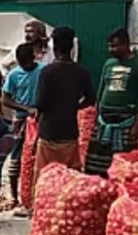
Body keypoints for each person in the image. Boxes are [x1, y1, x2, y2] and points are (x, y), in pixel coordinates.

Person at [85, 28, 138, 177]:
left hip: (125, 121)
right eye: (109, 46)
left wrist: (136, 126)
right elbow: (101, 91)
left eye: (115, 46)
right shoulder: (109, 64)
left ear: (126, 44)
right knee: (96, 163)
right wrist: (96, 117)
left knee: (122, 163)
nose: (111, 50)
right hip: (103, 121)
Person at [33, 26, 96, 181]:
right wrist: (73, 106)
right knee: (69, 179)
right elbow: (90, 99)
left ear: (55, 46)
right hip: (69, 132)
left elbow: (41, 103)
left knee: (45, 178)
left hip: (49, 132)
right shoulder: (81, 72)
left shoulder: (47, 72)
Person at [1, 43, 44, 207]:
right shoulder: (14, 75)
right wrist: (25, 108)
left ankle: (33, 194)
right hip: (20, 119)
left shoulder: (43, 71)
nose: (24, 66)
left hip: (39, 119)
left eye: (27, 63)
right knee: (16, 157)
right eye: (21, 63)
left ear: (33, 58)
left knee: (36, 156)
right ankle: (14, 195)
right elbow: (5, 99)